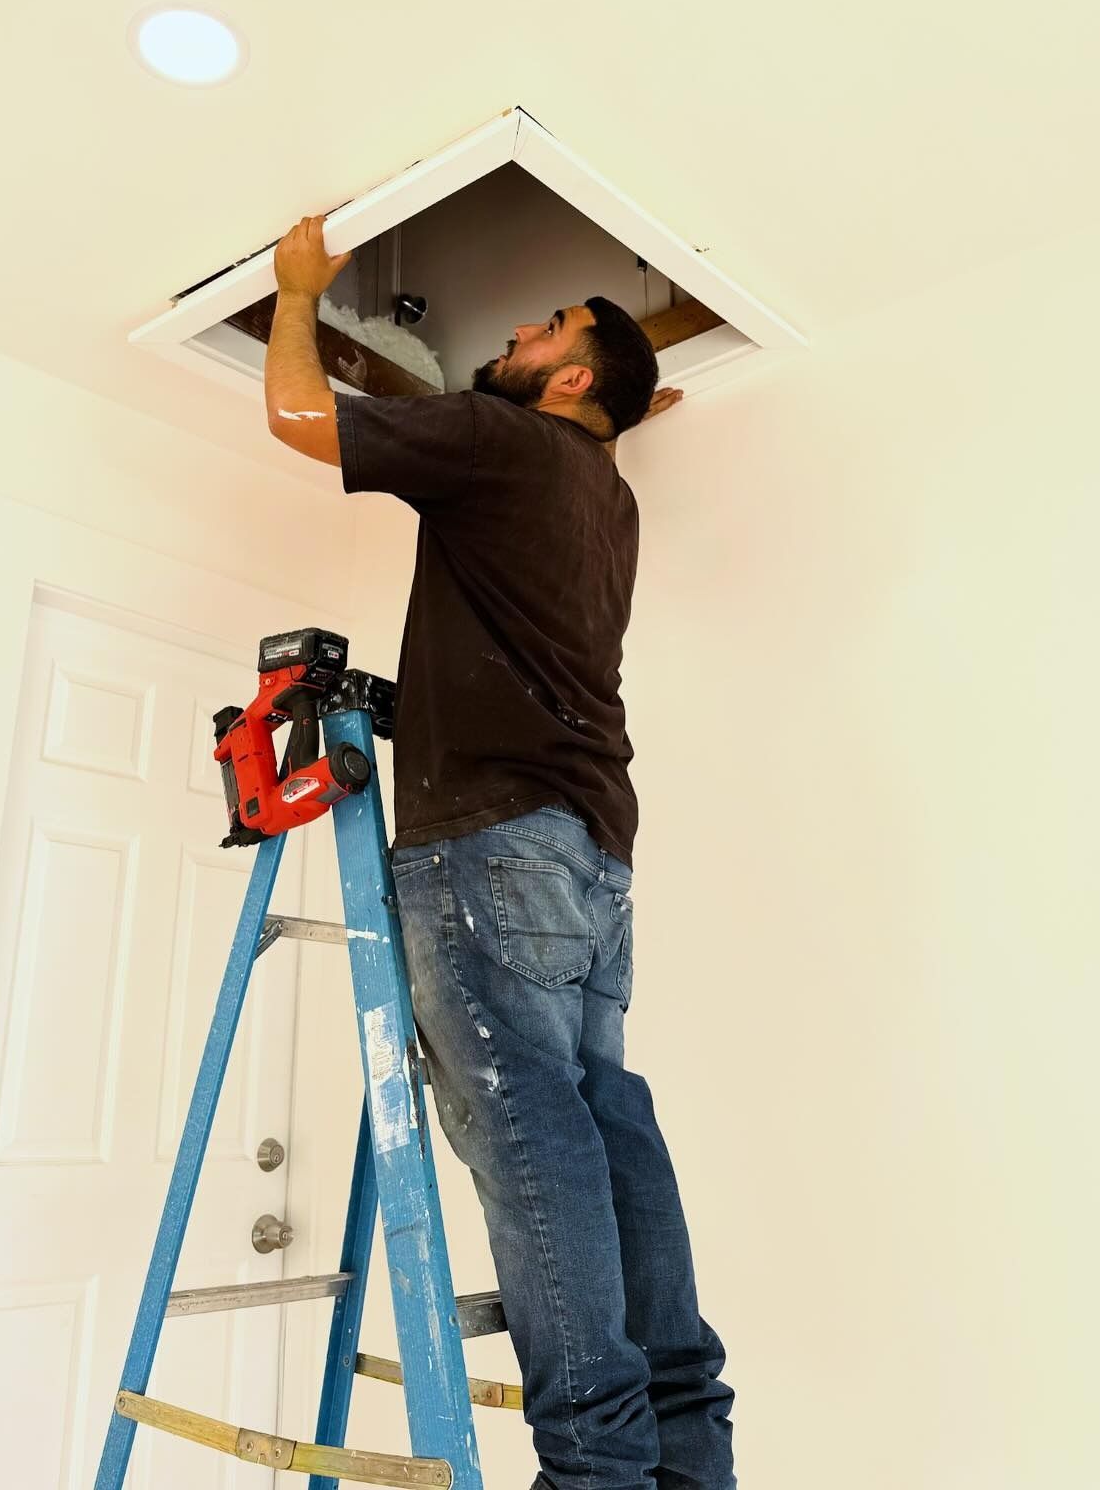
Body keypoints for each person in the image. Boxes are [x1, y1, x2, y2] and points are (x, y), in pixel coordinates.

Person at [265, 214, 737, 1490]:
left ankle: (593, 1469)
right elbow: (588, 423)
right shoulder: (608, 496)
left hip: (490, 840)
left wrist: (300, 296)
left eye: (542, 332)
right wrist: (630, 398)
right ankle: (688, 1448)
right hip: (594, 848)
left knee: (535, 1129)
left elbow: (304, 424)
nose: (515, 337)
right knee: (603, 1112)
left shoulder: (500, 441)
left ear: (572, 380)